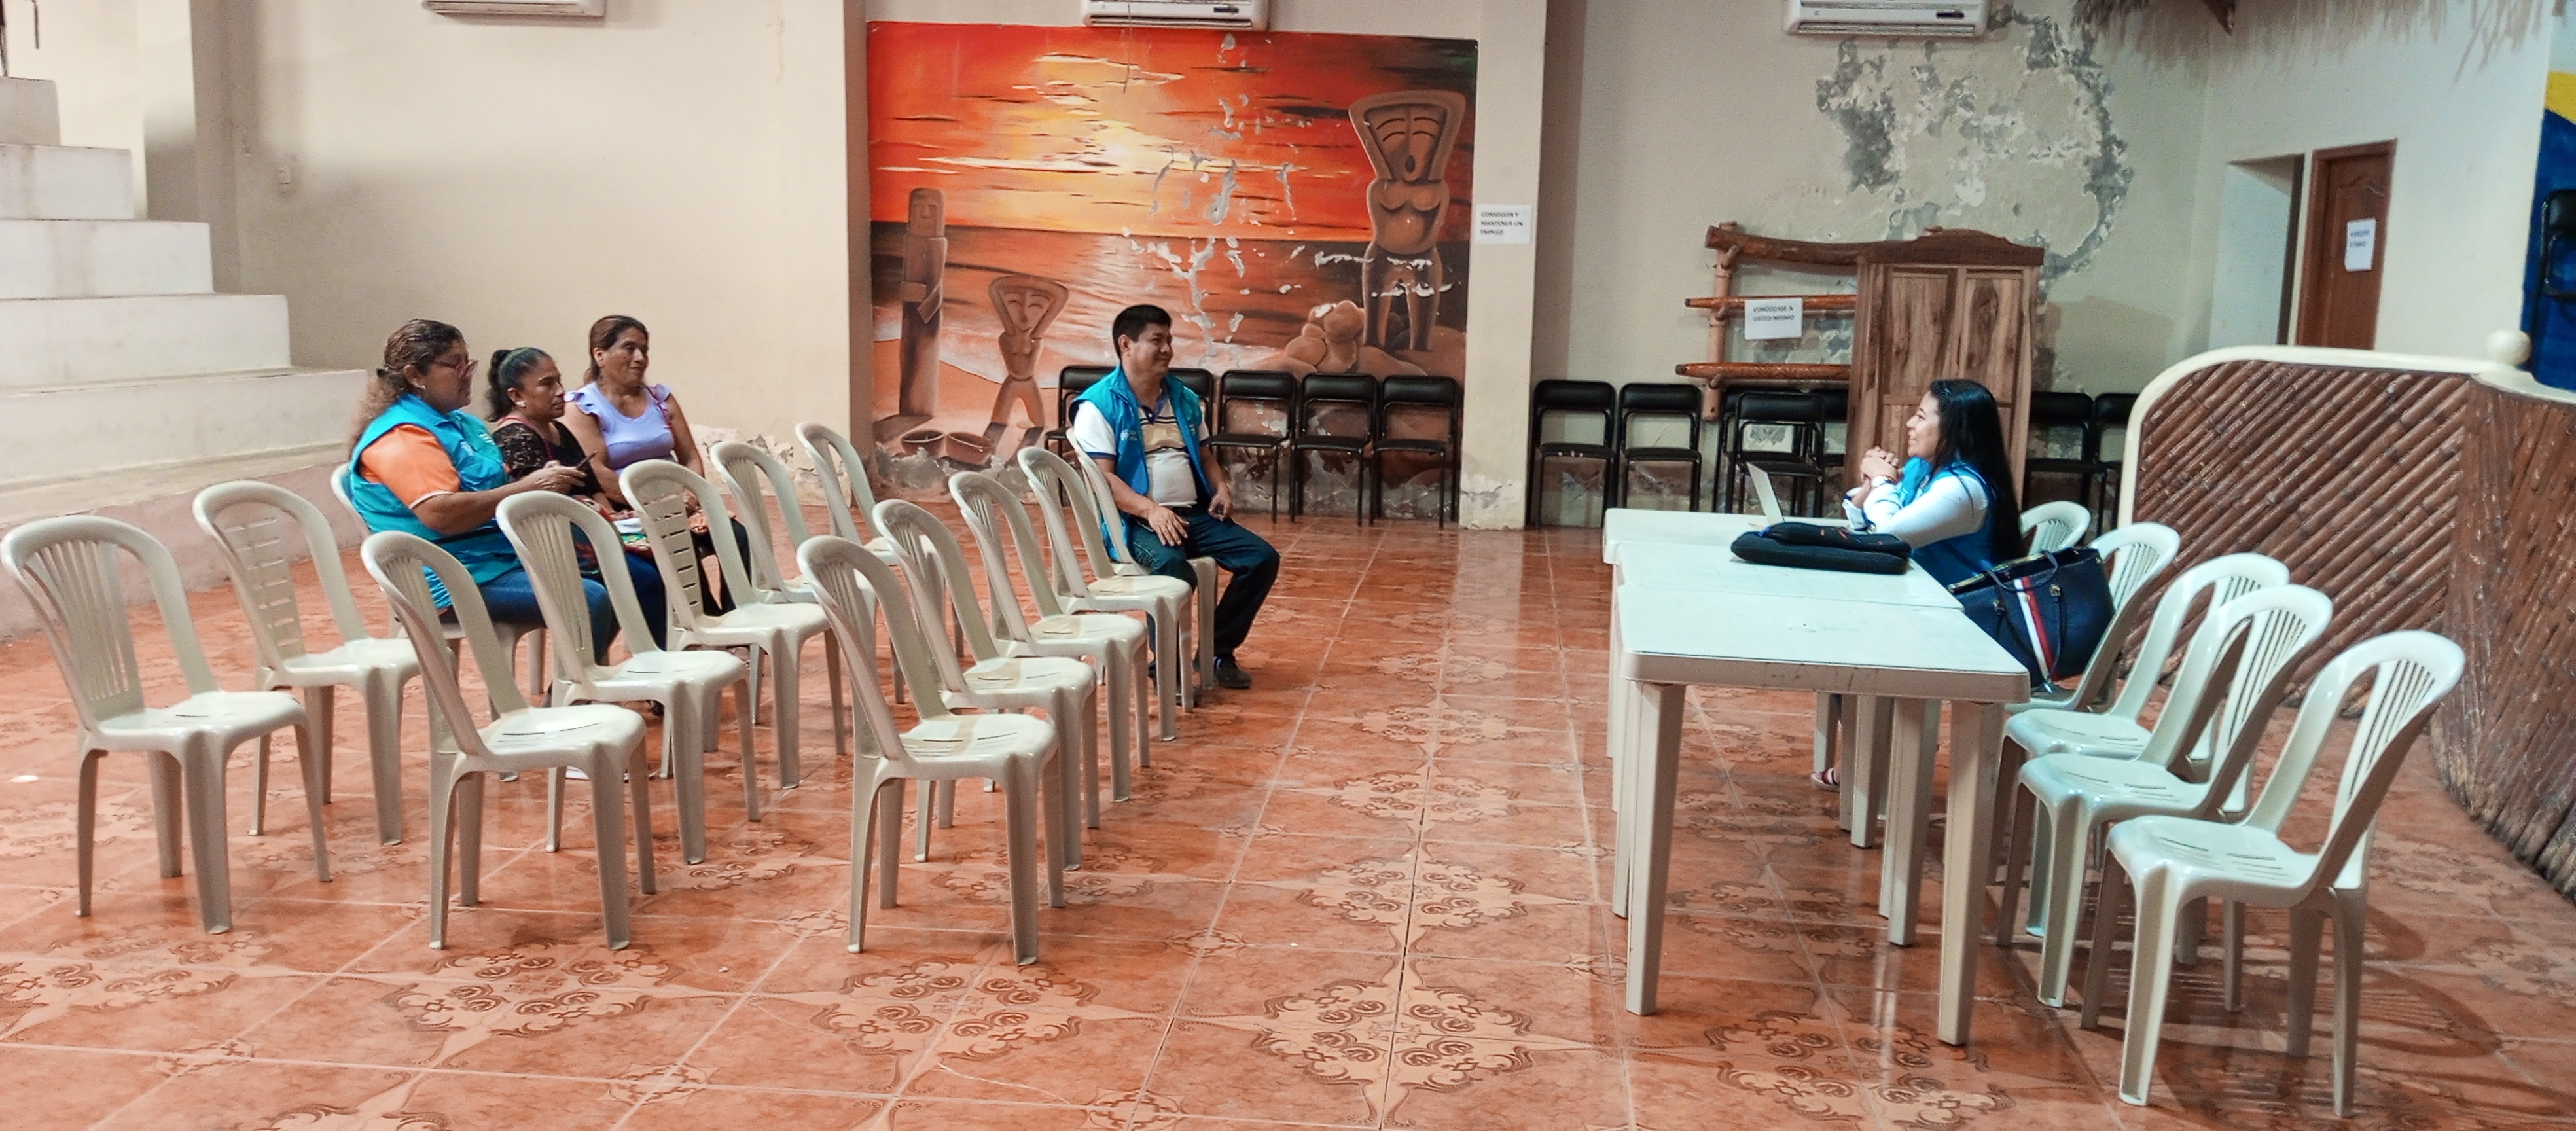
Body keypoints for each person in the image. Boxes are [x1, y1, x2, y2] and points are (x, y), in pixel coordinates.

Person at [346, 319, 664, 661]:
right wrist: (526, 487)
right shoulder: (402, 435)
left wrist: (536, 485)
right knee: (590, 597)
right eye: (454, 365)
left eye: (468, 364)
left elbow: (495, 484)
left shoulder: (462, 423)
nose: (467, 374)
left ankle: (580, 685)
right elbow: (440, 514)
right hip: (448, 576)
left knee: (623, 573)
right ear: (415, 375)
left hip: (492, 558)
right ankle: (580, 687)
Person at [1070, 304, 1280, 690]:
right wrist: (1151, 511)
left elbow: (1205, 456)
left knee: (1261, 558)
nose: (1167, 349)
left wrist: (1220, 487)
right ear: (1126, 345)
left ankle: (1216, 651)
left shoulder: (1183, 398)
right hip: (1135, 522)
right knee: (1173, 567)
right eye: (1157, 340)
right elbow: (1104, 481)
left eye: (1169, 340)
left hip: (1191, 515)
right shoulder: (1099, 405)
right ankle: (1168, 664)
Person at [560, 314, 743, 613]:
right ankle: (705, 622)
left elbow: (690, 457)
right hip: (630, 509)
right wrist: (657, 503)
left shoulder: (661, 398)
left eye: (644, 350)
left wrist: (690, 494)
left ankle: (740, 616)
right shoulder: (582, 406)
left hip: (680, 503)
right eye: (629, 348)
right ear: (600, 355)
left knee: (737, 537)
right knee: (677, 550)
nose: (640, 358)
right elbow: (597, 472)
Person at [1842, 378, 2026, 587]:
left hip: (1956, 601)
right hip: (1914, 589)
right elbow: (1864, 523)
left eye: (1921, 417)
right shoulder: (1921, 466)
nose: (1910, 424)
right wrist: (1870, 487)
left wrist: (1882, 479)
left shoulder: (1962, 489)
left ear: (1952, 429)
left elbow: (1888, 538)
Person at [486, 346, 605, 503]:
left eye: (558, 381)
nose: (560, 391)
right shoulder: (513, 437)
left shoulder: (558, 428)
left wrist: (609, 513)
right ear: (517, 396)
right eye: (547, 384)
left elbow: (592, 487)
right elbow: (534, 505)